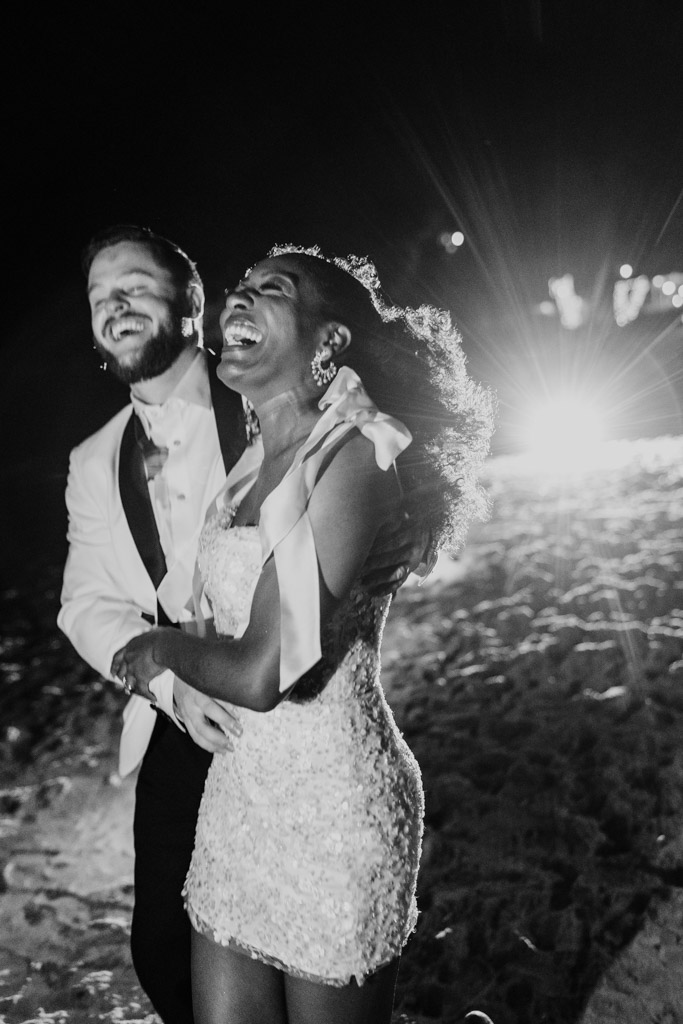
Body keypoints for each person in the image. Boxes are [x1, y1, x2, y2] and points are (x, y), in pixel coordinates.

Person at [114, 245, 494, 1024]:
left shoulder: (352, 455)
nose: (238, 301)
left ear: (329, 342)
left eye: (271, 291)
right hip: (238, 802)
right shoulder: (252, 461)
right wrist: (178, 660)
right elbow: (224, 617)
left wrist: (153, 650)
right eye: (240, 288)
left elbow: (261, 671)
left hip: (333, 811)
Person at [58, 227, 420, 1024]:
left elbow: (275, 651)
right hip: (208, 755)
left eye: (135, 284)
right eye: (97, 294)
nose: (114, 303)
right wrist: (159, 675)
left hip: (322, 781)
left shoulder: (293, 416)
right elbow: (84, 600)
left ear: (191, 306)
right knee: (160, 953)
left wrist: (159, 644)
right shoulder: (101, 458)